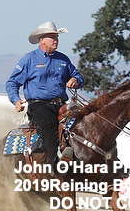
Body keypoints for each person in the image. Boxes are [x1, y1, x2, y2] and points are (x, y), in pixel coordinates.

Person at [5, 21, 84, 175]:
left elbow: (78, 77)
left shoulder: (63, 59)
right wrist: (16, 100)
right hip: (38, 105)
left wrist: (75, 80)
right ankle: (56, 165)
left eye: (57, 37)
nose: (56, 40)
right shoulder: (29, 59)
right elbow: (12, 82)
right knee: (50, 125)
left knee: (82, 121)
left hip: (61, 104)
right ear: (42, 40)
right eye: (52, 37)